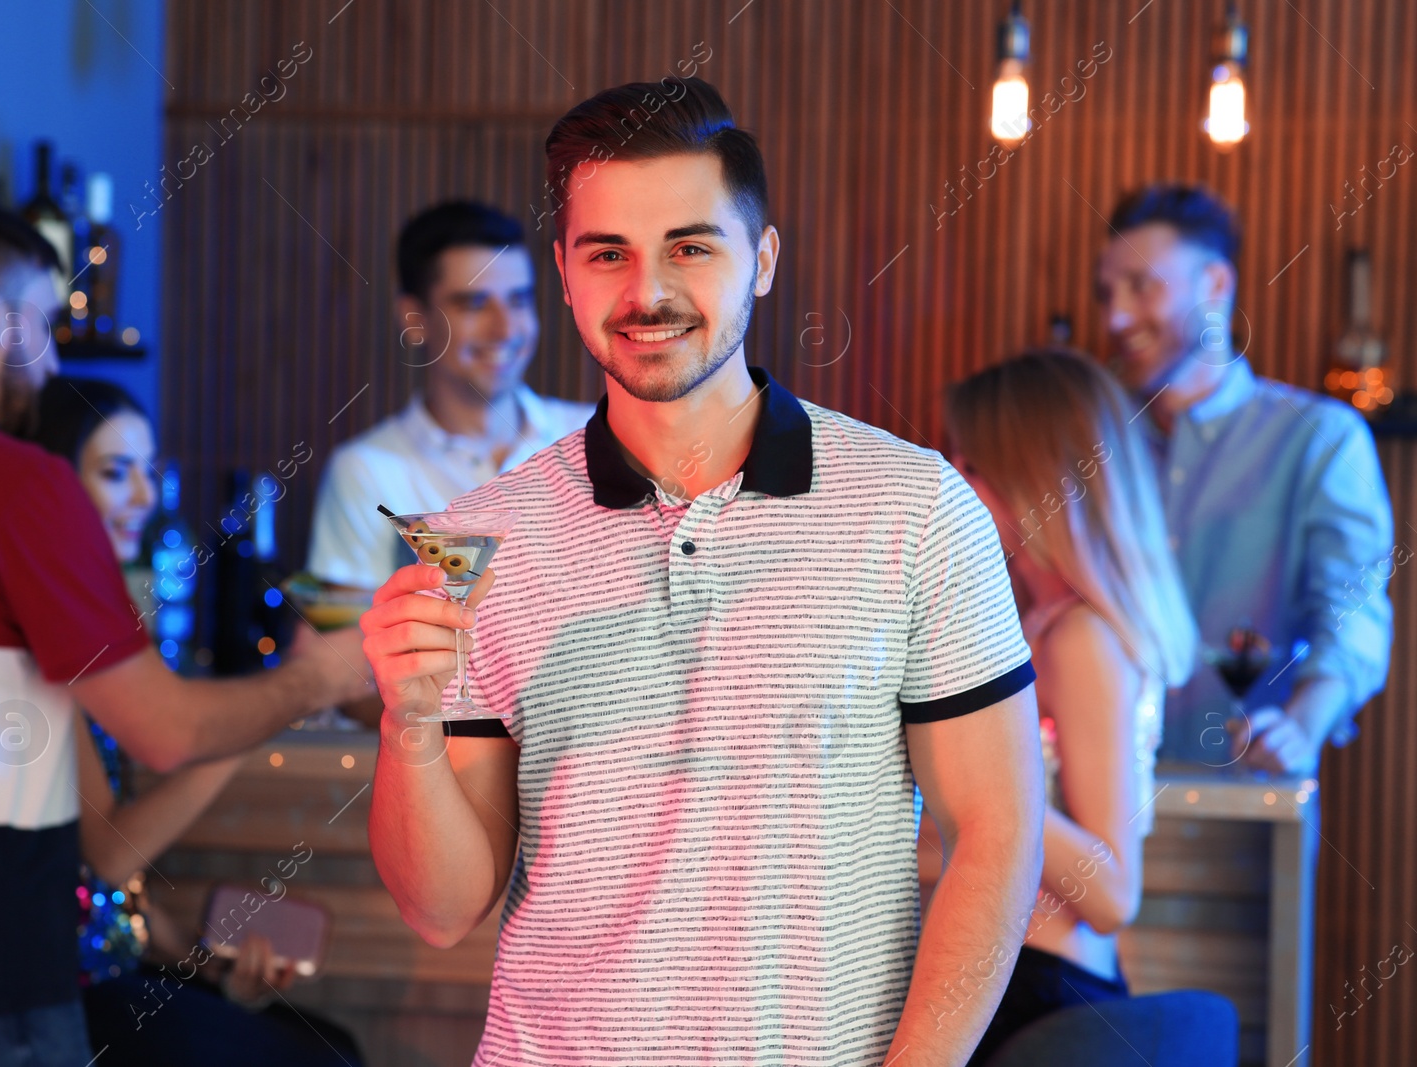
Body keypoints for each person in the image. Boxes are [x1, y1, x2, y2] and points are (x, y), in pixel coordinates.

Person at [360, 78, 1045, 1066]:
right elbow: (439, 907)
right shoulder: (478, 535)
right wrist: (406, 723)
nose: (648, 291)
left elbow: (997, 831)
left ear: (761, 260)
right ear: (563, 271)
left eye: (690, 245)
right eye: (608, 254)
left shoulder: (915, 505)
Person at [0, 193, 365, 1067]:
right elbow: (165, 727)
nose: (48, 349)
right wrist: (321, 676)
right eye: (39, 319)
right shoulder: (23, 485)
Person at [33, 376, 363, 1067]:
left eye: (146, 471)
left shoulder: (92, 616)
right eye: (116, 472)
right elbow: (107, 858)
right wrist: (267, 709)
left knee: (331, 1044)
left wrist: (204, 960)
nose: (146, 497)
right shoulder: (42, 637)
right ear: (50, 483)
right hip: (66, 994)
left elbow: (103, 888)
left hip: (113, 965)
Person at [933, 350, 1198, 1064]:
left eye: (971, 465)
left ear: (1036, 478)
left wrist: (982, 780)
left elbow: (1112, 891)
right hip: (1026, 977)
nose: (953, 484)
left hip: (1047, 993)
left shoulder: (1082, 636)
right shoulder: (1046, 621)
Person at [1094, 184, 1394, 776]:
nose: (1116, 316)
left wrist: (1303, 724)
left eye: (1141, 285)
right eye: (1106, 293)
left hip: (1249, 798)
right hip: (1091, 804)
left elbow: (1351, 611)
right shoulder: (1091, 439)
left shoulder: (1319, 438)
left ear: (1215, 285)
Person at [305, 201, 592, 720]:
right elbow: (336, 669)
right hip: (442, 767)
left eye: (520, 300)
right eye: (474, 303)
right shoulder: (366, 471)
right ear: (414, 320)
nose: (505, 327)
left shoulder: (592, 435)